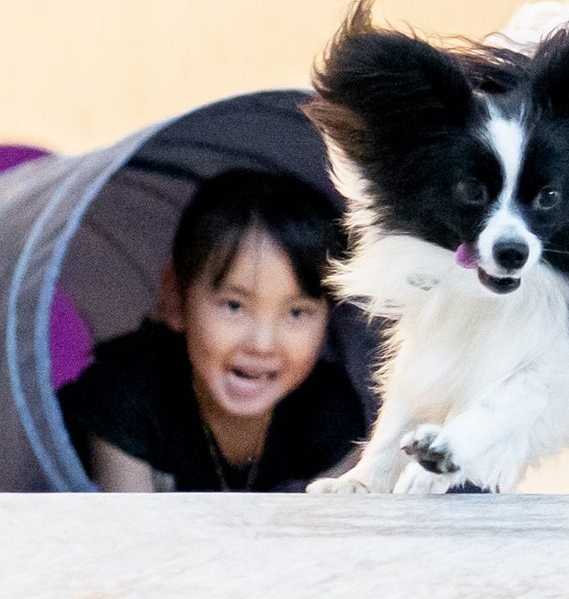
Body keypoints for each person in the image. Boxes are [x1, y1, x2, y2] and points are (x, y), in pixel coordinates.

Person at [60, 168, 371, 493]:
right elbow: (128, 524)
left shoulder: (327, 408)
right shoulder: (127, 392)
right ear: (175, 299)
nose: (262, 344)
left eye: (297, 312)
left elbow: (339, 522)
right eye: (234, 306)